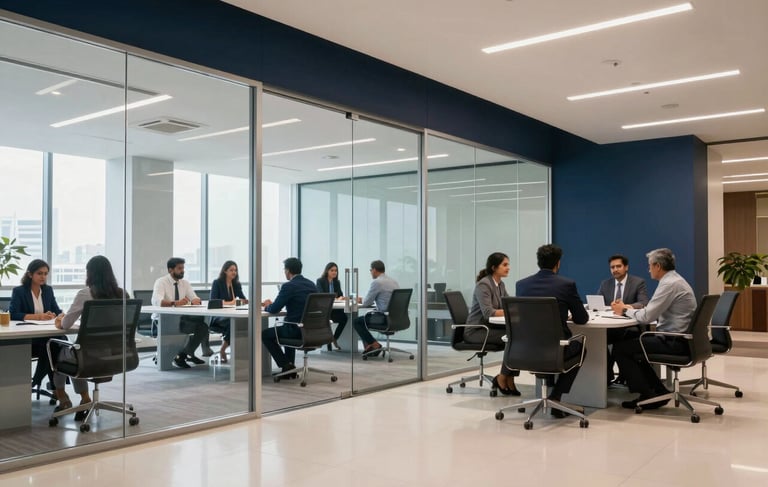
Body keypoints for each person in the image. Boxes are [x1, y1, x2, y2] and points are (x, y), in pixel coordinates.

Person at [611, 248, 697, 410]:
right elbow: (650, 311)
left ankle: (648, 395)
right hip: (682, 339)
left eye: (650, 265)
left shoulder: (669, 284)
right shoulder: (675, 280)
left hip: (675, 342)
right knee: (630, 343)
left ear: (658, 266)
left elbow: (647, 316)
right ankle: (657, 391)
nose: (648, 269)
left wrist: (624, 310)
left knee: (621, 349)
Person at [516, 244, 589, 418]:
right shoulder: (566, 285)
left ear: (538, 262)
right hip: (556, 350)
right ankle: (556, 397)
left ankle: (548, 393)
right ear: (558, 263)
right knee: (580, 348)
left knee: (549, 347)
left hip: (525, 350)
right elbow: (582, 319)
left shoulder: (521, 285)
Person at [50, 255, 125, 421]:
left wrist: (59, 320)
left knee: (59, 351)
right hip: (117, 355)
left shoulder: (86, 293)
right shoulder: (123, 294)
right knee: (76, 352)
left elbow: (66, 324)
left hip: (89, 357)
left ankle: (62, 396)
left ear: (90, 273)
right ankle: (84, 398)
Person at [466, 252, 520, 395]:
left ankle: (509, 378)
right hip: (477, 330)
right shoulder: (484, 285)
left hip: (490, 328)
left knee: (517, 335)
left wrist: (518, 307)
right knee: (514, 338)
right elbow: (488, 312)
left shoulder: (500, 284)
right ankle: (503, 377)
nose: (508, 268)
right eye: (505, 265)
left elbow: (509, 303)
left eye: (508, 264)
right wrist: (511, 310)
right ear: (494, 267)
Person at [9, 259, 65, 394]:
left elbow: (57, 310)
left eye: (45, 274)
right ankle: (56, 389)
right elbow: (13, 314)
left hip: (45, 335)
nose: (43, 277)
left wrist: (57, 315)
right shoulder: (19, 291)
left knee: (57, 342)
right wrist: (37, 316)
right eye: (39, 273)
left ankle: (40, 382)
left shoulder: (48, 290)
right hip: (29, 339)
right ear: (30, 274)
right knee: (54, 345)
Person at [597, 254, 649, 384]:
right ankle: (606, 376)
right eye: (612, 267)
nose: (615, 269)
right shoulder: (605, 284)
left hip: (630, 327)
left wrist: (625, 307)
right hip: (610, 325)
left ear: (626, 267)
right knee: (597, 340)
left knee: (619, 342)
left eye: (618, 266)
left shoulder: (638, 282)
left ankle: (622, 376)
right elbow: (599, 303)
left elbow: (643, 302)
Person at [261, 257, 317, 377]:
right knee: (287, 325)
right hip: (312, 330)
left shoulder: (289, 286)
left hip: (296, 330)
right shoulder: (311, 284)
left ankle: (286, 365)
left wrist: (267, 306)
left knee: (265, 334)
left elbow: (274, 309)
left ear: (287, 271)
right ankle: (288, 369)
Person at [151, 257, 207, 369]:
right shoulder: (161, 282)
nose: (182, 271)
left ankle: (183, 354)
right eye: (179, 268)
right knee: (181, 330)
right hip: (163, 320)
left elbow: (195, 298)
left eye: (183, 268)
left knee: (203, 327)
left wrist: (194, 301)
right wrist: (175, 303)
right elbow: (157, 301)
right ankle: (168, 356)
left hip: (181, 320)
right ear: (170, 270)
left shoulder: (185, 283)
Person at [352, 260, 399, 356]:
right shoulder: (393, 281)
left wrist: (360, 300)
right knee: (363, 319)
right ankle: (370, 347)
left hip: (384, 318)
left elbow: (366, 303)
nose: (370, 272)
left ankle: (374, 344)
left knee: (357, 322)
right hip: (396, 318)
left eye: (370, 270)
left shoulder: (377, 282)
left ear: (374, 270)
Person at [208, 260, 249, 364]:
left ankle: (240, 353)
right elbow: (213, 302)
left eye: (235, 270)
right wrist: (231, 303)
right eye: (231, 270)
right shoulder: (217, 283)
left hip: (232, 314)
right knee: (233, 323)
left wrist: (246, 301)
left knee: (241, 322)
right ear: (225, 271)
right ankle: (223, 349)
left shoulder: (236, 284)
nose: (234, 272)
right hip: (218, 316)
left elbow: (243, 299)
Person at [316, 262, 347, 351]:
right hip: (324, 309)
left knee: (344, 318)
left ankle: (334, 339)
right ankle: (328, 342)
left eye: (336, 271)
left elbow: (340, 294)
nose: (334, 272)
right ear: (327, 271)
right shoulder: (320, 281)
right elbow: (321, 295)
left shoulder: (336, 282)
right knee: (327, 320)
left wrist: (342, 297)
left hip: (334, 309)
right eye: (332, 270)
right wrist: (336, 298)